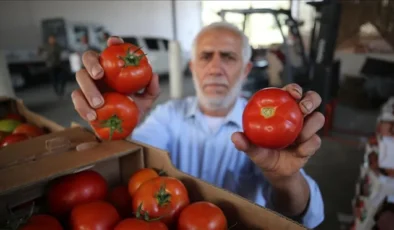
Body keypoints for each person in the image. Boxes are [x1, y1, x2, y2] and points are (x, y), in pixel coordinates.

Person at [71, 22, 325, 228]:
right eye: (205, 56)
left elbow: (304, 215)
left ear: (246, 70)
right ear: (192, 67)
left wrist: (286, 179)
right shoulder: (168, 115)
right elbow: (127, 163)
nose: (215, 68)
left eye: (228, 57)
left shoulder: (271, 135)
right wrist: (113, 112)